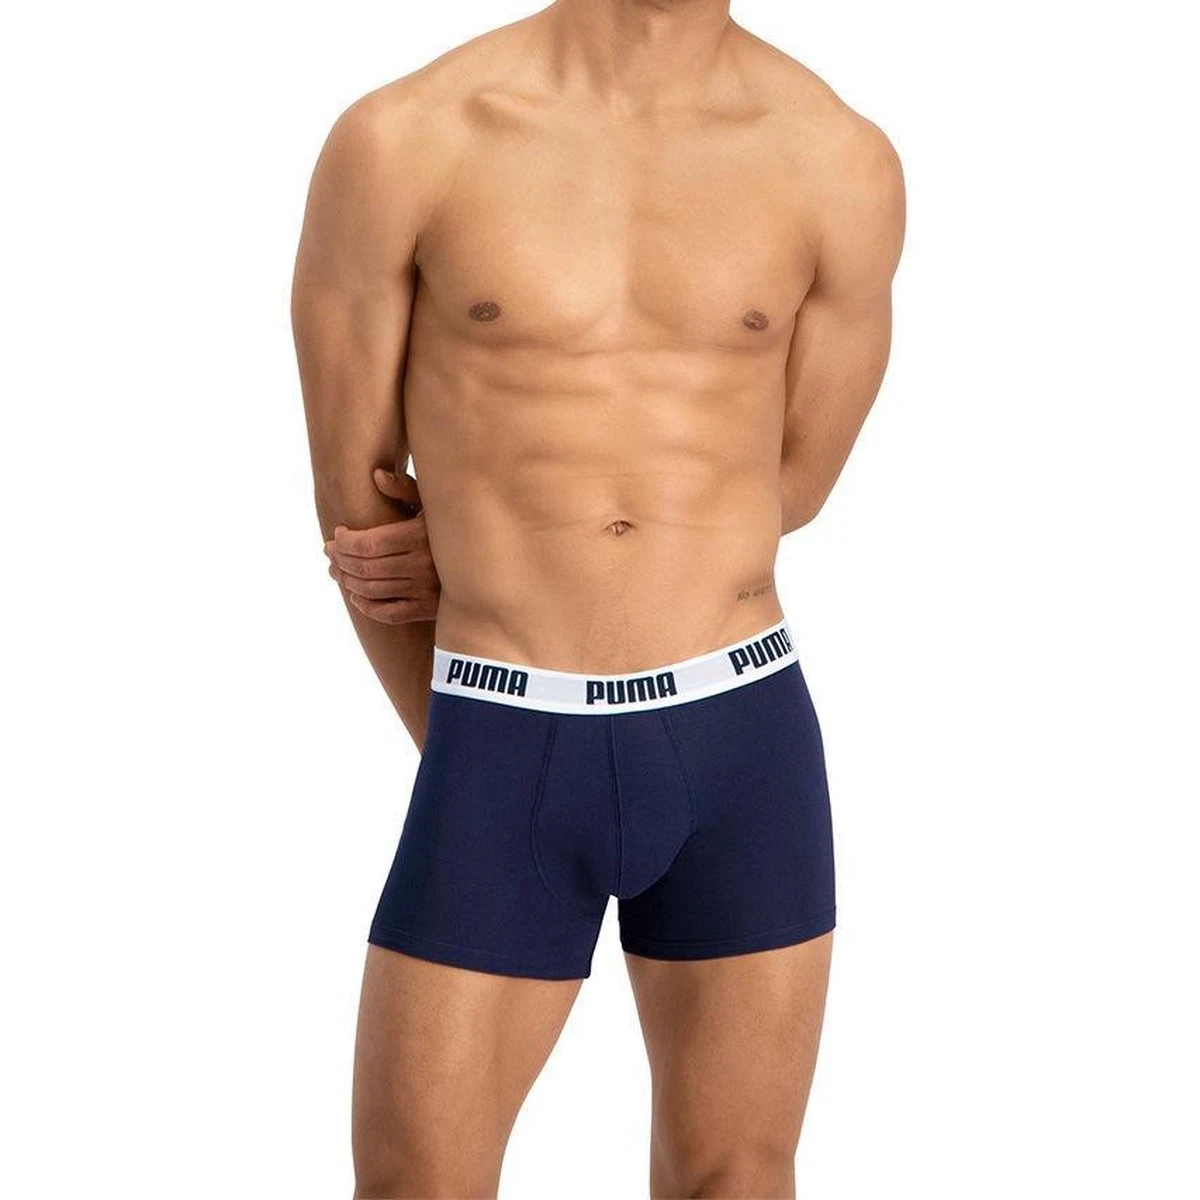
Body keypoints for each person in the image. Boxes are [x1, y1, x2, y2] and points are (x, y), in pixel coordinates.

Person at [291, 1, 904, 1195]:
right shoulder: (406, 138)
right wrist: (478, 734)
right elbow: (360, 512)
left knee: (738, 1174)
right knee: (417, 1180)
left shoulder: (838, 158)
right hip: (503, 721)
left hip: (741, 730)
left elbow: (787, 483)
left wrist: (586, 541)